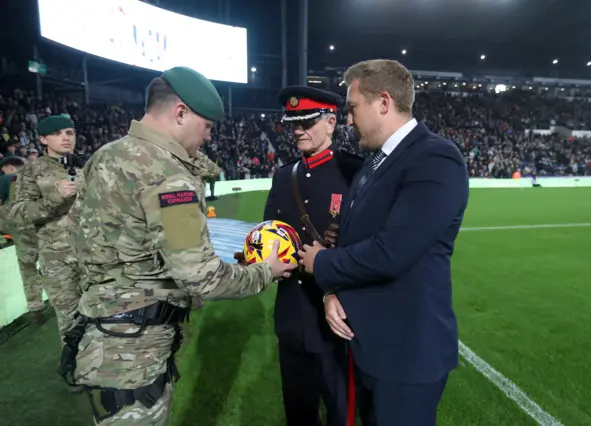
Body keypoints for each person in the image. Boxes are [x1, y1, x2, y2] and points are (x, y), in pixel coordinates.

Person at [61, 66, 296, 425]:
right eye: (207, 126)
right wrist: (265, 270)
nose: (208, 137)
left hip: (101, 338)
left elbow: (75, 240)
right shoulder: (168, 175)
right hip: (136, 352)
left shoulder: (105, 156)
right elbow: (202, 278)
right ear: (181, 112)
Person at [297, 59, 470, 426]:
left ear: (384, 103)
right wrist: (332, 287)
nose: (347, 120)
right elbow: (355, 237)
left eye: (352, 108)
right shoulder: (372, 164)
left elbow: (390, 253)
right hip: (369, 349)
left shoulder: (435, 159)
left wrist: (321, 264)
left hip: (407, 355)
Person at [235, 86, 364, 426]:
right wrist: (254, 259)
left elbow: (367, 242)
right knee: (299, 413)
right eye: (293, 123)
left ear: (331, 122)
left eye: (307, 122)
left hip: (337, 317)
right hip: (292, 316)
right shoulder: (283, 176)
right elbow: (268, 233)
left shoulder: (354, 171)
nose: (298, 131)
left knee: (341, 412)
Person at [8, 115, 83, 338]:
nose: (65, 138)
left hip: (92, 254)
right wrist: (54, 197)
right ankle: (76, 370)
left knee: (102, 315)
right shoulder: (32, 171)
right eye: (57, 134)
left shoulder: (84, 165)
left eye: (69, 133)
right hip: (58, 259)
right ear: (42, 139)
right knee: (71, 322)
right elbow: (18, 213)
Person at [0, 156, 46, 323]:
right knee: (53, 262)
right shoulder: (36, 176)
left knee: (28, 269)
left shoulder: (5, 179)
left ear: (10, 167)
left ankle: (35, 308)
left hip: (19, 230)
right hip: (40, 225)